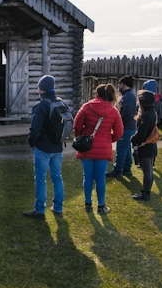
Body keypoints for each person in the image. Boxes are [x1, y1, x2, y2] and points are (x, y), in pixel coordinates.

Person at [74, 84, 124, 214]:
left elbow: (77, 125)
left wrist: (81, 136)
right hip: (103, 147)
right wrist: (108, 139)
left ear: (97, 93)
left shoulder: (87, 107)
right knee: (100, 178)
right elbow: (119, 132)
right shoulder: (114, 111)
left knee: (88, 176)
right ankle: (101, 205)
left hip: (87, 146)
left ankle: (88, 203)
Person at [23, 75, 68, 219]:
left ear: (41, 88)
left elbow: (35, 129)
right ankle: (58, 207)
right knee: (57, 177)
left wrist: (32, 142)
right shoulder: (62, 103)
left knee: (41, 179)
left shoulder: (40, 106)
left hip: (43, 147)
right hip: (58, 146)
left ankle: (39, 210)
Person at [106, 75, 137, 178]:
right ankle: (127, 169)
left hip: (126, 127)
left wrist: (118, 123)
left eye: (120, 84)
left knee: (121, 149)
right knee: (127, 148)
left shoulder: (128, 96)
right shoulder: (128, 95)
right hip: (129, 126)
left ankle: (118, 170)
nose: (118, 86)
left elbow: (127, 113)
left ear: (124, 84)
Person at [131, 91, 158, 201]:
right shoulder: (152, 111)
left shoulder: (146, 115)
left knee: (147, 171)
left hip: (145, 147)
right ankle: (147, 191)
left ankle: (145, 193)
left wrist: (132, 139)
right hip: (151, 146)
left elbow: (141, 133)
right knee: (149, 170)